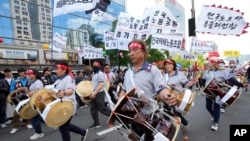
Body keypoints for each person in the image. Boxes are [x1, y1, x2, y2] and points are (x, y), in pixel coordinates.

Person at [119, 39, 177, 141]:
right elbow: (124, 90)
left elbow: (162, 89)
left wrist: (167, 96)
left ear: (144, 52)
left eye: (135, 50)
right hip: (133, 117)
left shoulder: (153, 70)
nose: (131, 54)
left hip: (150, 118)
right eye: (130, 51)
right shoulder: (128, 73)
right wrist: (120, 102)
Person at [199, 57, 246, 131]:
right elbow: (203, 80)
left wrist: (241, 85)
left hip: (218, 92)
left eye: (209, 62)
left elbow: (231, 79)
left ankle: (215, 123)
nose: (208, 63)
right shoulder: (207, 71)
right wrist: (199, 87)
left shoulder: (223, 71)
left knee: (216, 107)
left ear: (214, 63)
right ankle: (214, 115)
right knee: (208, 107)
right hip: (208, 92)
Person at [53, 61, 88, 141]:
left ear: (64, 70)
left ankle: (83, 132)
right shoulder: (59, 80)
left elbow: (71, 90)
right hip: (61, 106)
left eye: (57, 69)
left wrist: (64, 92)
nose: (56, 71)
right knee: (65, 126)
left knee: (63, 128)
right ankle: (83, 132)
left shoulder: (69, 78)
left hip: (68, 106)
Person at [163, 58, 198, 129]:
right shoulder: (165, 76)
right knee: (165, 113)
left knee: (177, 113)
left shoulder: (179, 74)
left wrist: (193, 82)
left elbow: (187, 84)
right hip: (167, 97)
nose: (167, 66)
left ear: (173, 65)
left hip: (177, 98)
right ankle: (167, 129)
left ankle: (185, 122)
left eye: (169, 64)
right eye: (166, 65)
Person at [9, 68, 33, 134]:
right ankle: (15, 127)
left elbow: (32, 89)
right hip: (18, 99)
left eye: (27, 73)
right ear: (20, 73)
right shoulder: (14, 80)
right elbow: (11, 90)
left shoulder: (29, 80)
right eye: (24, 73)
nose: (26, 74)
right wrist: (18, 89)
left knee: (28, 110)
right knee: (16, 112)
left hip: (27, 98)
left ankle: (28, 123)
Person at [88, 61, 112, 129]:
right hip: (93, 93)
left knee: (102, 109)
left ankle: (113, 116)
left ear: (99, 66)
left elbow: (101, 85)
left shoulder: (100, 74)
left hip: (99, 93)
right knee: (93, 109)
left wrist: (95, 93)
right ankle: (96, 123)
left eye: (96, 65)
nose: (94, 66)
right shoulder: (94, 73)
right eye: (93, 65)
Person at [26, 69, 45, 140]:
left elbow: (39, 93)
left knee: (34, 118)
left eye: (30, 74)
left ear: (35, 74)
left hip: (37, 102)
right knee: (39, 117)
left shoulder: (38, 82)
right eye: (28, 74)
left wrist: (31, 93)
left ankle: (39, 133)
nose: (28, 75)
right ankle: (53, 122)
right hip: (33, 101)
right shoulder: (32, 82)